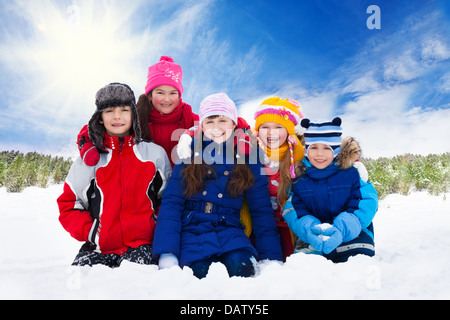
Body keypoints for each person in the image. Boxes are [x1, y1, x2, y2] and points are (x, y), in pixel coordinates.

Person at [153, 93, 283, 278]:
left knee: (243, 270)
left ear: (233, 124)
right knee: (199, 275)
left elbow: (261, 209)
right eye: (209, 121)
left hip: (230, 230)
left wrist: (271, 258)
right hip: (192, 230)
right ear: (202, 125)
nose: (216, 128)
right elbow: (172, 203)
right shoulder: (189, 152)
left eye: (223, 120)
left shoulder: (248, 156)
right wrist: (167, 253)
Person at [57, 83, 172, 268]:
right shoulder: (87, 161)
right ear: (100, 118)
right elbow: (69, 204)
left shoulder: (154, 154)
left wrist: (154, 226)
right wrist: (91, 232)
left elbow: (168, 199)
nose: (117, 116)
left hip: (143, 246)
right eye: (109, 110)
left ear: (133, 115)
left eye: (124, 110)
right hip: (99, 249)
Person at [77, 56, 250, 167]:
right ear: (150, 95)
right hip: (147, 186)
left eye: (173, 93)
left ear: (180, 95)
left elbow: (221, 121)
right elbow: (96, 127)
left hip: (181, 185)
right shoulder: (137, 116)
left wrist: (243, 130)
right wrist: (87, 147)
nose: (167, 99)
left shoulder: (189, 117)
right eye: (160, 92)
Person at [282, 117, 378, 263]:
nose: (319, 154)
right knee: (306, 266)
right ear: (307, 150)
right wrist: (310, 229)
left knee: (355, 263)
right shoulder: (300, 179)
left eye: (327, 148)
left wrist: (341, 228)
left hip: (351, 231)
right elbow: (294, 209)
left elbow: (366, 202)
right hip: (314, 235)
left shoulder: (351, 174)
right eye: (314, 147)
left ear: (337, 151)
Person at [251, 97, 305, 261]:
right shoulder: (249, 152)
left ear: (289, 131)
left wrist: (353, 162)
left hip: (288, 226)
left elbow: (327, 156)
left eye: (278, 127)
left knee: (288, 265)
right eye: (265, 127)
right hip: (257, 226)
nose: (271, 132)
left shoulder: (299, 155)